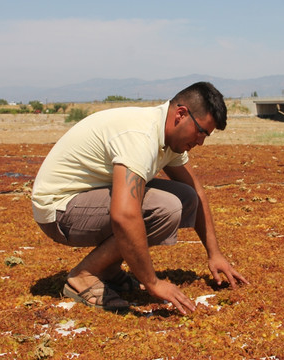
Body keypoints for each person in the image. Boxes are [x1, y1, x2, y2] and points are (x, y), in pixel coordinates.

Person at [31, 82, 248, 314]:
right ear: (181, 114)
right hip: (59, 210)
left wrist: (214, 254)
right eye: (200, 132)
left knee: (186, 197)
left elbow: (196, 191)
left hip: (85, 200)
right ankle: (83, 276)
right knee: (165, 207)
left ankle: (108, 269)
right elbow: (124, 214)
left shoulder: (168, 138)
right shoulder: (140, 135)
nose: (200, 141)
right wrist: (153, 283)